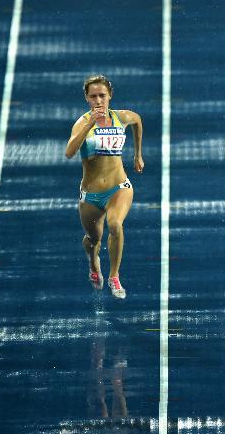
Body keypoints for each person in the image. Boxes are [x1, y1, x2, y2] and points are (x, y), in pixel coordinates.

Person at [65, 75, 143, 299]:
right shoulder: (81, 123)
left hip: (119, 187)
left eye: (102, 95)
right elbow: (69, 152)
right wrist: (89, 124)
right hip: (91, 195)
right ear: (86, 98)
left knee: (115, 224)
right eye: (93, 97)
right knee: (93, 240)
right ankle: (93, 262)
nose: (98, 101)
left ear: (110, 96)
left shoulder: (121, 117)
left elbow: (137, 121)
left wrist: (137, 154)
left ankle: (114, 276)